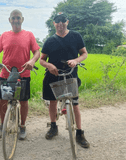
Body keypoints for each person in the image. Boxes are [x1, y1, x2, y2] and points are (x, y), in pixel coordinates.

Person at [40, 12, 90, 148]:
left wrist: (76, 60)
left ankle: (79, 133)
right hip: (53, 74)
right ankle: (53, 126)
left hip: (70, 74)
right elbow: (42, 60)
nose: (60, 23)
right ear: (54, 23)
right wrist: (49, 65)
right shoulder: (50, 41)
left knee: (75, 104)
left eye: (63, 20)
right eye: (57, 21)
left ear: (67, 22)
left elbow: (84, 53)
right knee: (52, 102)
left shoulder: (75, 36)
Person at [0, 9, 40, 140]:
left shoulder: (29, 35)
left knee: (23, 101)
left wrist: (32, 61)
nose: (16, 20)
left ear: (22, 19)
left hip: (23, 74)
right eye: (13, 18)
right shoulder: (4, 35)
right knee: (3, 100)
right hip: (6, 74)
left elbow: (37, 52)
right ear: (9, 20)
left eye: (18, 18)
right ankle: (2, 124)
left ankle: (23, 126)